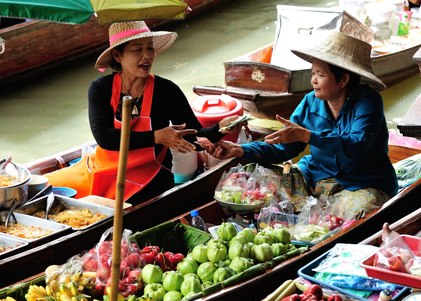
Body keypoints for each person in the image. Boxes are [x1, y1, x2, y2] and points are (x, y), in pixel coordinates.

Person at [206, 31, 398, 218]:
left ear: (343, 79)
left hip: (363, 182)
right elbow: (283, 148)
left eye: (320, 74)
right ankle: (308, 210)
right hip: (315, 177)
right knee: (253, 177)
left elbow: (356, 144)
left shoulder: (368, 101)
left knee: (350, 214)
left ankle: (310, 213)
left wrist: (307, 136)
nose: (313, 80)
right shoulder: (310, 102)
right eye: (313, 73)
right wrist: (241, 149)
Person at [46, 21, 241, 204]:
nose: (147, 56)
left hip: (151, 179)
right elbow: (104, 138)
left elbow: (193, 136)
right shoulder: (100, 88)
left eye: (150, 48)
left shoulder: (166, 90)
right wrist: (157, 136)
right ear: (117, 56)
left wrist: (220, 129)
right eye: (138, 50)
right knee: (44, 186)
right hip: (103, 172)